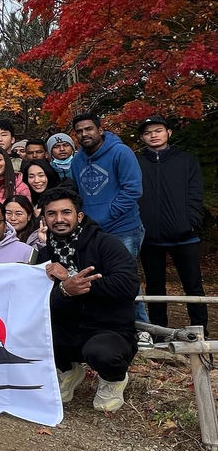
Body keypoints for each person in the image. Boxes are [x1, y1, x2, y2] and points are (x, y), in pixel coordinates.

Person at [38, 188, 139, 412]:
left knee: (101, 352)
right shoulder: (45, 255)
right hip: (68, 327)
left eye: (66, 212)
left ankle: (113, 379)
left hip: (109, 329)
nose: (59, 219)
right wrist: (64, 290)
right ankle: (68, 370)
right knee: (30, 332)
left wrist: (76, 282)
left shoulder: (106, 244)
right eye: (52, 214)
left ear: (79, 216)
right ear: (44, 219)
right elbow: (41, 301)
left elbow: (127, 286)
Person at [71, 112, 150, 345]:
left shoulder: (120, 153)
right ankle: (110, 326)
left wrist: (107, 214)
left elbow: (133, 189)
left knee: (125, 277)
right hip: (93, 231)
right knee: (97, 277)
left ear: (100, 130)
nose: (84, 134)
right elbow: (79, 194)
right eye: (79, 131)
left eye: (89, 129)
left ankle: (142, 327)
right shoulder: (77, 161)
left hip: (124, 227)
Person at [136, 116, 208, 334]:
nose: (153, 135)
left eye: (158, 130)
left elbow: (195, 194)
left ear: (169, 133)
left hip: (184, 235)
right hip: (149, 237)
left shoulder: (185, 160)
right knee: (155, 287)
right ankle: (159, 332)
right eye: (148, 133)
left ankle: (200, 330)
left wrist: (191, 222)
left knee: (193, 286)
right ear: (142, 138)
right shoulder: (137, 162)